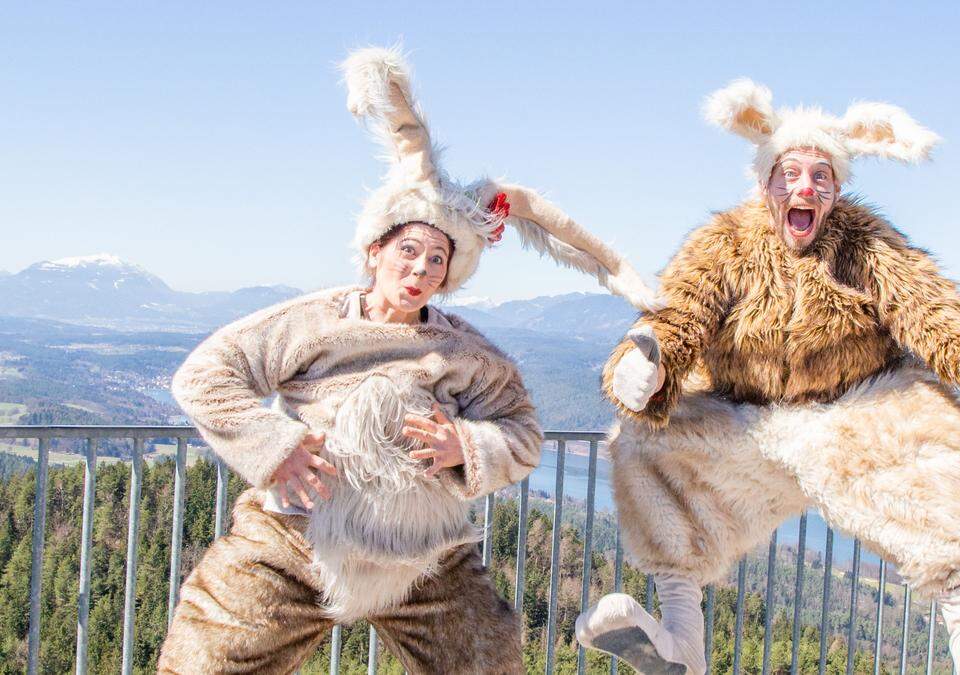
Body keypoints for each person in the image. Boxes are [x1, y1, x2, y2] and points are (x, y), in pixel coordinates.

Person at [158, 45, 659, 675]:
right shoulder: (312, 322)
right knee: (205, 656)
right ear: (375, 251)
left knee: (488, 654)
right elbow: (205, 377)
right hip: (295, 538)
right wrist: (272, 443)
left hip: (424, 555)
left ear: (449, 276)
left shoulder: (467, 352)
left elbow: (524, 434)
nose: (420, 269)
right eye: (409, 251)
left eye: (437, 260)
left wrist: (466, 447)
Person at [575, 80, 960, 675]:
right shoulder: (726, 244)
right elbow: (679, 316)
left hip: (856, 423)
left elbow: (932, 316)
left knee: (935, 424)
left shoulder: (867, 246)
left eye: (820, 176)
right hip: (744, 430)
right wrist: (643, 370)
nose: (803, 187)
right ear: (765, 183)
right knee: (643, 439)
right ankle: (680, 639)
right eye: (789, 173)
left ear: (837, 189)